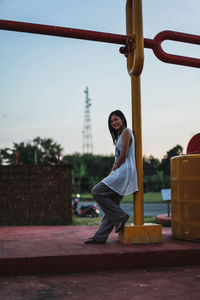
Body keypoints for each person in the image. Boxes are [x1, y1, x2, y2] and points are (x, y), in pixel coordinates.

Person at [85, 110, 138, 244]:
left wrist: (115, 167)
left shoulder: (126, 132)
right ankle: (100, 237)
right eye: (111, 121)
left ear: (123, 119)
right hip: (123, 171)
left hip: (123, 171)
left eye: (116, 119)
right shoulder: (120, 135)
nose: (114, 122)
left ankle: (121, 216)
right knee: (112, 205)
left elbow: (124, 154)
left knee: (97, 191)